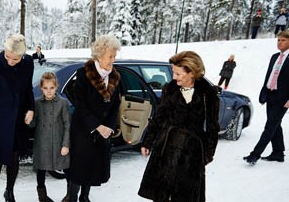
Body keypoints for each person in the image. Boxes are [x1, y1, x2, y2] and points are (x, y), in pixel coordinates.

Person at [138, 51, 220, 202]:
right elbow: (159, 116)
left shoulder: (207, 93)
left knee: (185, 195)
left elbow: (212, 127)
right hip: (167, 146)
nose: (174, 77)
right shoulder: (170, 88)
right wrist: (147, 140)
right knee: (162, 193)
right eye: (173, 72)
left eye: (178, 73)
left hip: (192, 151)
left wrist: (207, 155)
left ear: (192, 72)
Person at [0, 33, 35, 202]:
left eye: (15, 59)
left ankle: (9, 191)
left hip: (19, 119)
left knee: (14, 158)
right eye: (8, 57)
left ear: (23, 55)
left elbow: (27, 89)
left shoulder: (28, 63)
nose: (10, 61)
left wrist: (31, 109)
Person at [68, 34, 121, 202]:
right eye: (110, 56)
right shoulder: (83, 74)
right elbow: (80, 104)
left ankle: (85, 198)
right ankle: (73, 198)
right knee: (79, 169)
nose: (113, 60)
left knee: (93, 167)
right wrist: (97, 126)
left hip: (102, 132)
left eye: (114, 56)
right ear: (99, 55)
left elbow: (115, 106)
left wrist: (109, 127)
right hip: (84, 130)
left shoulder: (115, 77)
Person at [243, 30, 289, 165]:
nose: (279, 43)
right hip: (270, 95)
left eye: (283, 40)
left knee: (270, 126)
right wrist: (264, 93)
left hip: (283, 98)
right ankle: (278, 152)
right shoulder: (275, 56)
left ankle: (255, 154)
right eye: (278, 40)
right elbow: (269, 76)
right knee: (275, 124)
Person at [28, 72, 71, 202]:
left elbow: (67, 125)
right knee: (41, 171)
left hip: (59, 142)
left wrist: (65, 144)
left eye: (51, 88)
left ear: (56, 87)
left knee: (66, 169)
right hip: (42, 143)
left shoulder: (63, 103)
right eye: (45, 88)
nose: (49, 91)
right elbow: (33, 124)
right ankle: (42, 196)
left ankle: (70, 195)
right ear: (41, 88)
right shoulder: (36, 103)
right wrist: (28, 120)